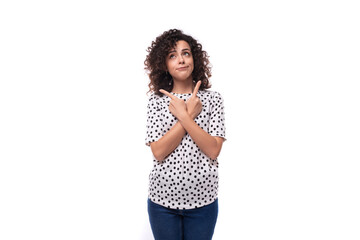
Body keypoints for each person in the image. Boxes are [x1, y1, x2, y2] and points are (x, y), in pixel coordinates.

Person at [144, 29, 226, 240]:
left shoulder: (213, 99)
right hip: (162, 202)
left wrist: (185, 117)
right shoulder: (156, 102)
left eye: (186, 53)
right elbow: (159, 152)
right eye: (172, 55)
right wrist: (187, 115)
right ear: (164, 64)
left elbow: (213, 150)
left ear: (194, 58)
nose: (180, 60)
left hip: (204, 202)